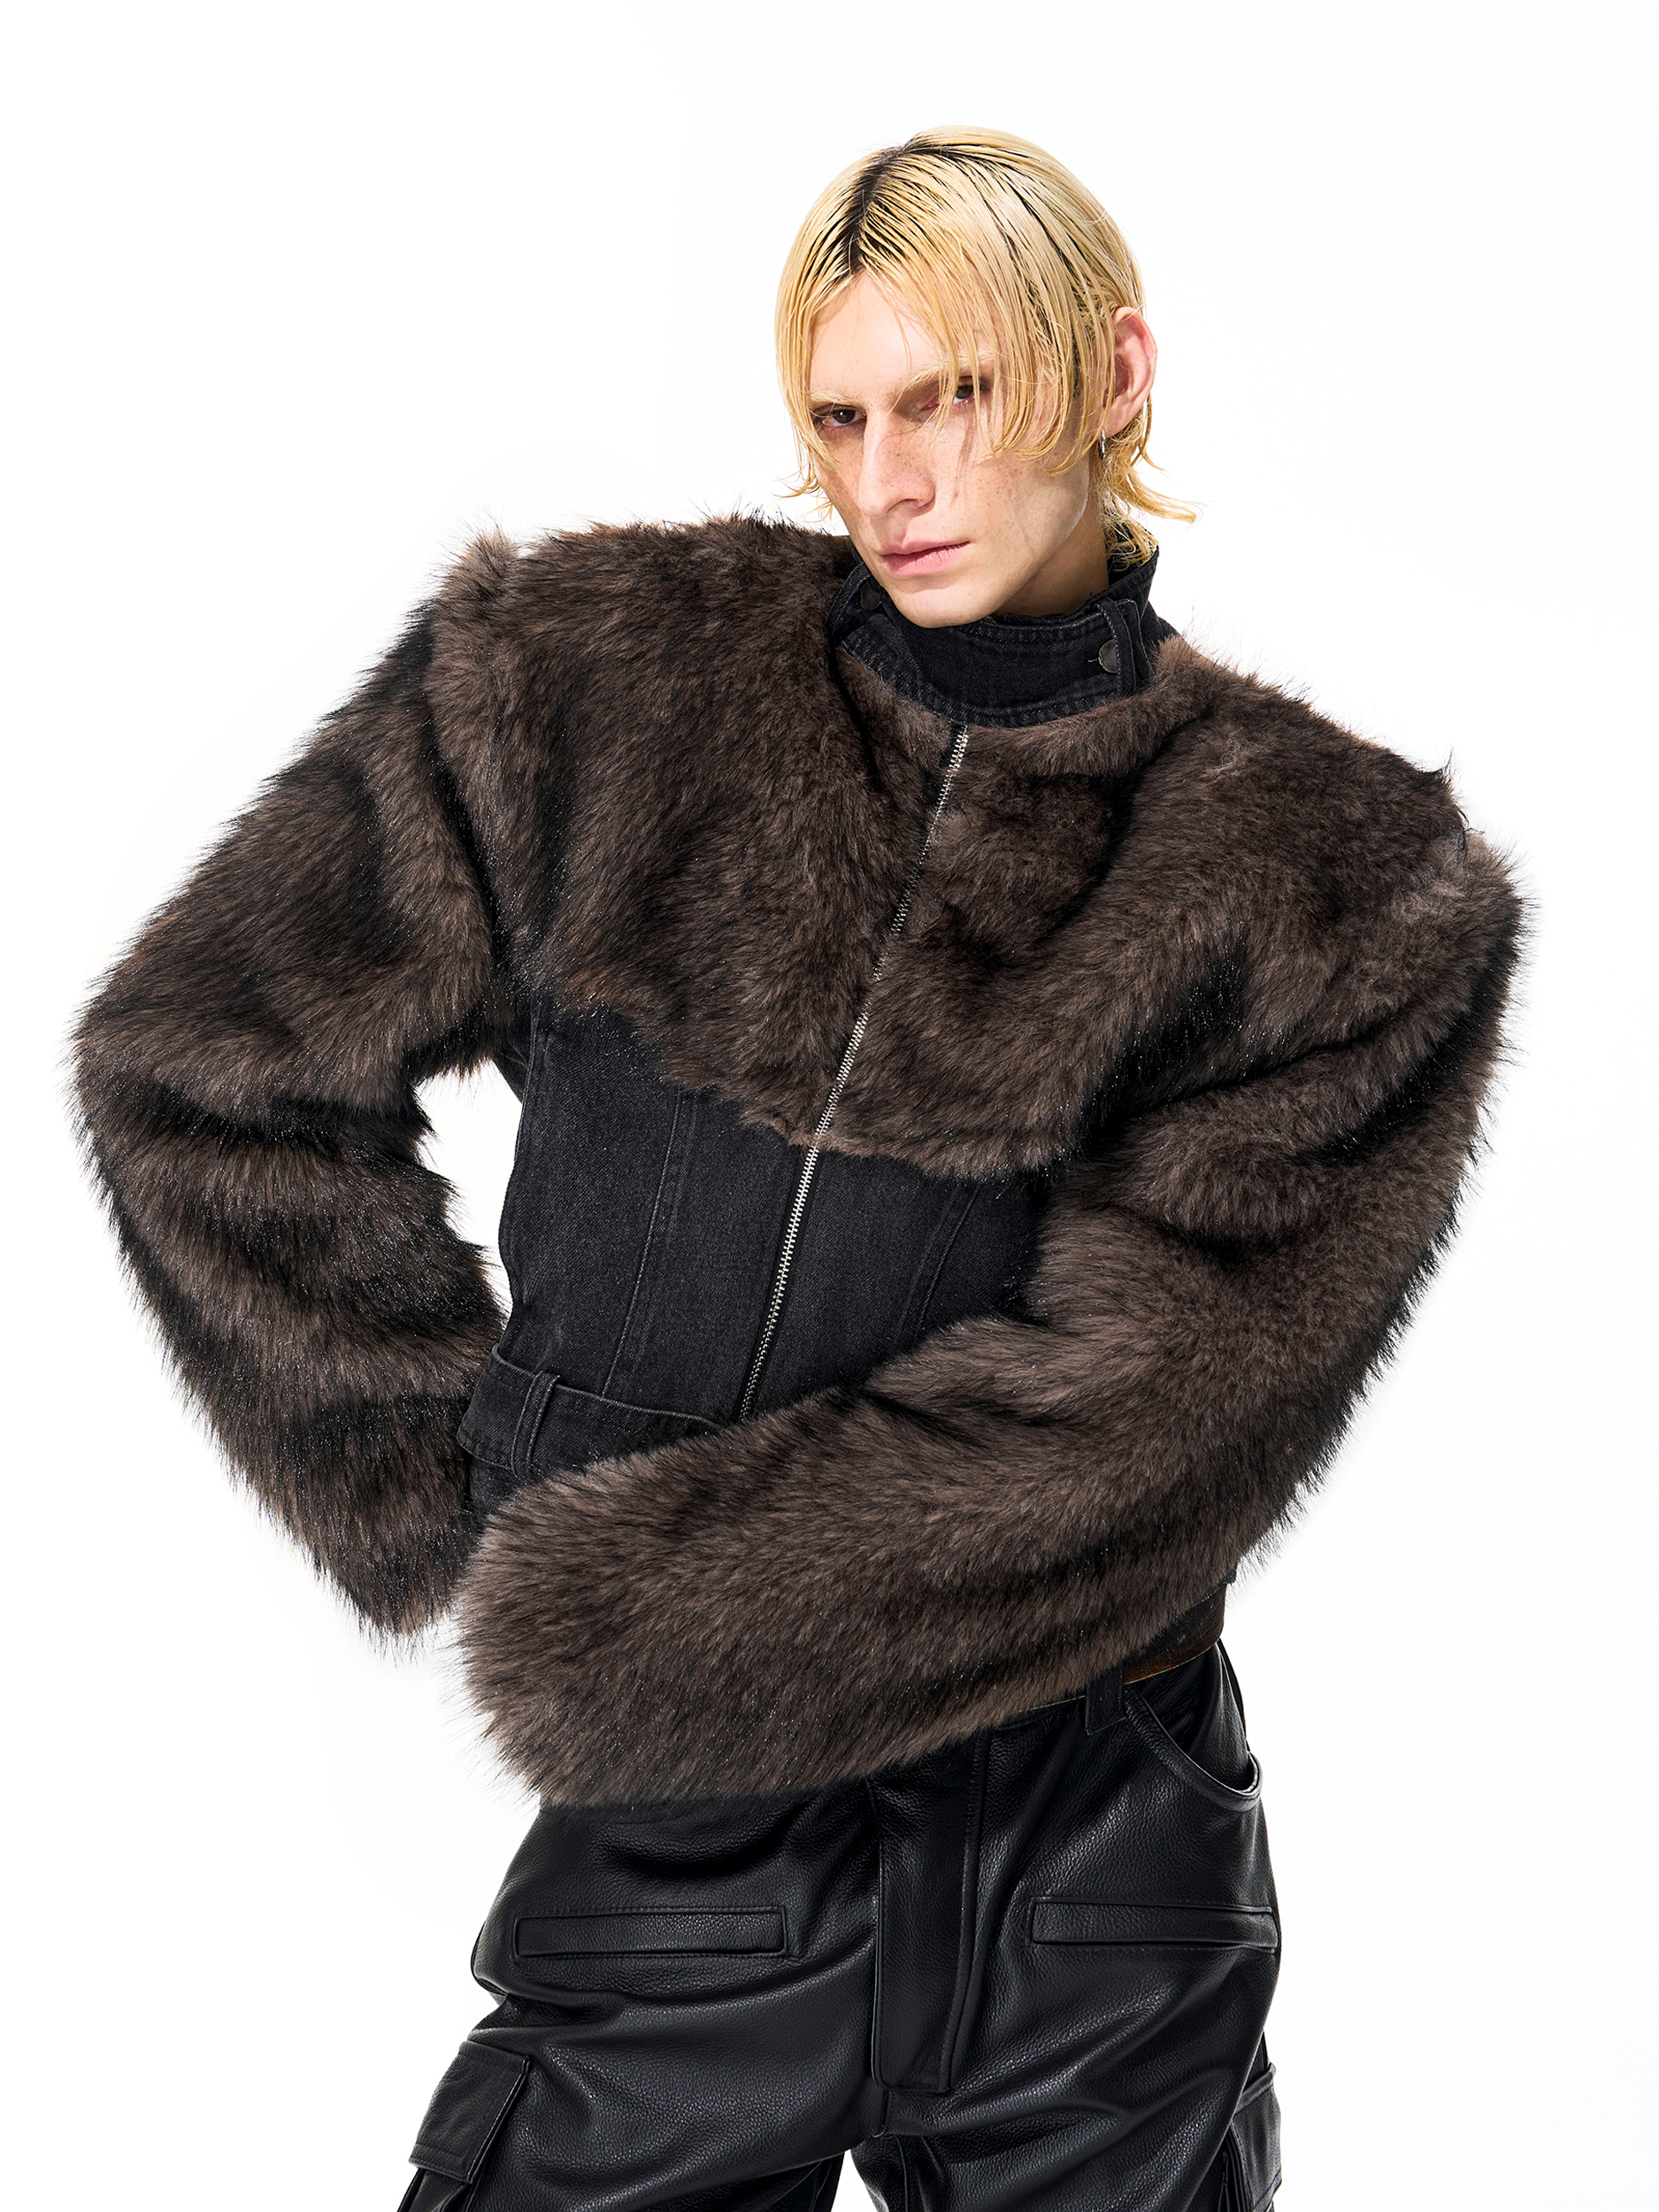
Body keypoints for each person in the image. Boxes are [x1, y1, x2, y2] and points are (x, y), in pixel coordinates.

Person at [71, 127, 1521, 2212]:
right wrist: (449, 1476)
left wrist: (622, 1597)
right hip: (693, 1840)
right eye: (840, 419)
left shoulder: (1342, 882)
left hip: (1088, 1871)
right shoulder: (587, 677)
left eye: (952, 397)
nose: (890, 478)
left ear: (1110, 373)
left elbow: (1149, 1428)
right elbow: (203, 1060)